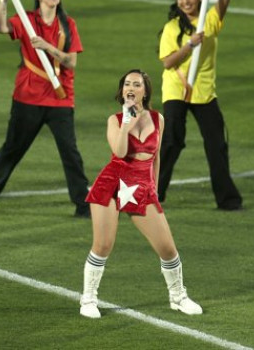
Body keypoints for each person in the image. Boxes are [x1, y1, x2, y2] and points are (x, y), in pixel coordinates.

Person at [79, 70, 203, 319]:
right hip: (112, 184)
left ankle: (178, 297)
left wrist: (154, 188)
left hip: (141, 186)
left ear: (145, 91)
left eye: (137, 84)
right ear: (122, 90)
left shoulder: (158, 119)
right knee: (103, 244)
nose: (131, 88)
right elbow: (120, 151)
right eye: (127, 84)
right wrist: (127, 121)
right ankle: (88, 299)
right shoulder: (115, 120)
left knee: (167, 248)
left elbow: (156, 157)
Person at [0, 0, 90, 217]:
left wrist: (47, 47)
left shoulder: (67, 24)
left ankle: (83, 204)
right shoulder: (26, 20)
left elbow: (71, 62)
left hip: (60, 98)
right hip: (28, 97)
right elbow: (1, 27)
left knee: (70, 152)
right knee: (12, 149)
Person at [157, 0, 242, 211]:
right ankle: (153, 194)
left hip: (204, 91)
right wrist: (190, 45)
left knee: (216, 144)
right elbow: (168, 62)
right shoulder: (172, 27)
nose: (186, 1)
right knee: (172, 141)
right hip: (176, 88)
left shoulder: (209, 20)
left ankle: (228, 200)